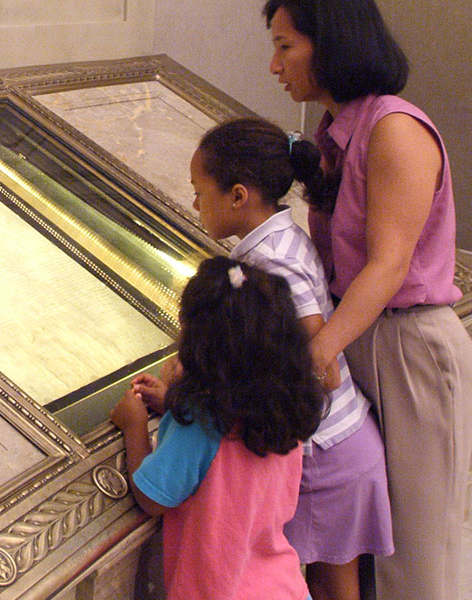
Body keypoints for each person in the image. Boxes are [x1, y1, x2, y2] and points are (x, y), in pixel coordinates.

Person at [135, 117, 394, 600]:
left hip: (329, 454)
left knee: (335, 586)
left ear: (237, 196)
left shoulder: (271, 264)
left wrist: (204, 384)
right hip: (341, 444)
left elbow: (321, 365)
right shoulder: (277, 240)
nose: (193, 203)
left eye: (198, 190)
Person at [263, 1, 472, 599]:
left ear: (330, 44)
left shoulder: (394, 128)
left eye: (286, 46)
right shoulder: (336, 133)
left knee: (421, 547)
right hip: (361, 339)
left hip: (410, 346)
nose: (275, 64)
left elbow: (389, 264)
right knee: (375, 537)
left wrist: (319, 351)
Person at [111, 256, 322, 599]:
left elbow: (153, 498)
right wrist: (174, 403)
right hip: (283, 587)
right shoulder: (283, 412)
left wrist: (134, 424)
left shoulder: (201, 422)